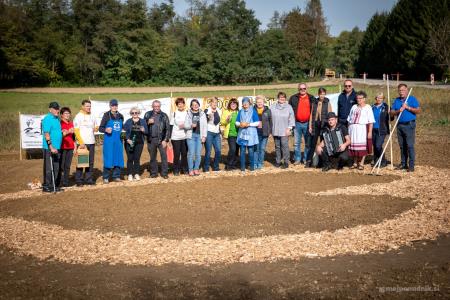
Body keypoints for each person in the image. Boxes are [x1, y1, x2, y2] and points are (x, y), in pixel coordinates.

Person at [390, 83, 421, 172]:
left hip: (409, 125)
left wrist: (408, 107)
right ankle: (403, 164)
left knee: (409, 145)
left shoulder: (412, 99)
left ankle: (411, 166)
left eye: (403, 90)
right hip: (399, 125)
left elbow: (418, 110)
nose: (401, 92)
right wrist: (398, 111)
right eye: (400, 90)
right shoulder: (396, 100)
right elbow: (391, 112)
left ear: (407, 90)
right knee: (402, 146)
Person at [347, 91, 375, 170]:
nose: (358, 100)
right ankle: (355, 162)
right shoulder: (354, 107)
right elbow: (349, 119)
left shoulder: (368, 107)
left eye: (360, 98)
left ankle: (362, 163)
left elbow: (371, 121)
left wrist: (369, 132)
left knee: (363, 146)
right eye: (357, 98)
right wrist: (348, 130)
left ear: (364, 99)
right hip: (352, 129)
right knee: (354, 146)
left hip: (362, 128)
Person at [99, 99, 124, 183]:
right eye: (113, 105)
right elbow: (100, 128)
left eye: (115, 105)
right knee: (108, 158)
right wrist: (106, 129)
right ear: (110, 106)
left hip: (118, 141)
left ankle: (116, 176)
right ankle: (106, 177)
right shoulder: (106, 115)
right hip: (109, 141)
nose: (114, 107)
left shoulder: (121, 116)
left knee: (118, 157)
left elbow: (122, 128)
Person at [306, 87, 332, 167]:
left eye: (323, 94)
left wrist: (329, 126)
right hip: (315, 124)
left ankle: (322, 162)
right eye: (321, 94)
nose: (322, 96)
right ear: (318, 94)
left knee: (323, 143)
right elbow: (311, 115)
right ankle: (309, 161)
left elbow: (330, 114)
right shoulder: (315, 102)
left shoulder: (327, 103)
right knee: (313, 143)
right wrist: (310, 126)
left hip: (324, 125)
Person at [144, 100, 171, 179]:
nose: (157, 108)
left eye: (158, 106)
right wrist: (147, 122)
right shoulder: (147, 114)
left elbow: (168, 129)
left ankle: (164, 173)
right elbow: (143, 126)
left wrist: (165, 140)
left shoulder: (164, 115)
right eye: (155, 106)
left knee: (164, 157)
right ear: (152, 106)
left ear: (160, 106)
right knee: (152, 157)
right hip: (151, 139)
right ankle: (154, 173)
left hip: (161, 140)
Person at [289, 83, 314, 165]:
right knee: (296, 143)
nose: (302, 90)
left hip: (308, 124)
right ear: (298, 89)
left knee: (308, 143)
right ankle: (297, 159)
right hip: (297, 124)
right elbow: (289, 111)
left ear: (307, 89)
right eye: (301, 89)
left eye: (304, 88)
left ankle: (306, 159)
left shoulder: (311, 98)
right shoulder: (293, 98)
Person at [73, 99, 97, 186]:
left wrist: (96, 128)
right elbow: (76, 130)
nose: (89, 108)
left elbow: (96, 126)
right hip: (82, 143)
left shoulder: (92, 116)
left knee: (90, 162)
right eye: (87, 106)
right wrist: (81, 142)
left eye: (90, 106)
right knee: (81, 162)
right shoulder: (78, 116)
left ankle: (88, 179)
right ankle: (79, 180)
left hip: (91, 142)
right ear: (82, 106)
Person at [41, 101, 63, 193]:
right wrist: (50, 146)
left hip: (57, 147)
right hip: (49, 148)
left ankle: (54, 185)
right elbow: (46, 133)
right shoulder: (47, 119)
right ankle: (47, 186)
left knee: (56, 167)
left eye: (58, 108)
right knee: (49, 168)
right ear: (50, 109)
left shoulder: (57, 119)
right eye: (55, 109)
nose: (57, 110)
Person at [270, 92, 295, 169]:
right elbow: (269, 117)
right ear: (278, 98)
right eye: (281, 97)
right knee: (277, 146)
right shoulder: (272, 107)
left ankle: (286, 161)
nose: (282, 99)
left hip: (285, 130)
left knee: (284, 146)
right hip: (275, 129)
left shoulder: (289, 107)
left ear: (285, 98)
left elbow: (291, 118)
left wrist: (289, 128)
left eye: (283, 97)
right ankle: (278, 161)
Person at [124, 107, 148, 181]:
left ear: (139, 113)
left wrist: (144, 130)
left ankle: (136, 173)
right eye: (133, 113)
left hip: (139, 143)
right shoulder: (128, 121)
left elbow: (147, 132)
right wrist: (127, 139)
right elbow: (123, 132)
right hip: (129, 143)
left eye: (136, 112)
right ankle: (130, 174)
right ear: (131, 114)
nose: (134, 114)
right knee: (130, 158)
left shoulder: (143, 121)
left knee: (137, 159)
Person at [184, 99, 207, 176]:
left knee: (198, 154)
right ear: (191, 106)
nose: (195, 105)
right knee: (191, 154)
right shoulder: (188, 114)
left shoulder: (202, 113)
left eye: (196, 104)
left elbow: (205, 126)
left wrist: (204, 136)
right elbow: (185, 126)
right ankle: (190, 170)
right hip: (191, 136)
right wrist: (191, 126)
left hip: (199, 136)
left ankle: (196, 169)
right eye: (193, 104)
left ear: (199, 105)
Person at [236, 97, 259, 172]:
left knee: (251, 150)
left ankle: (252, 167)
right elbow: (236, 122)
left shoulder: (253, 111)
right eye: (243, 103)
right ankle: (242, 168)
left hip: (251, 134)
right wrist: (240, 124)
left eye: (247, 102)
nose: (245, 104)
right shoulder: (240, 111)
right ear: (242, 104)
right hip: (242, 134)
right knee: (242, 150)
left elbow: (257, 122)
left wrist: (248, 124)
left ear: (249, 103)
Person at [57, 107, 75, 187]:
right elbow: (59, 136)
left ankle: (66, 181)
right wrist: (67, 132)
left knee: (67, 165)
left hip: (70, 147)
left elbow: (73, 137)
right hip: (62, 147)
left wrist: (74, 146)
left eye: (68, 113)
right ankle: (58, 181)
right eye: (65, 113)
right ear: (61, 115)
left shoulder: (71, 124)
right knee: (61, 166)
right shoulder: (59, 124)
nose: (67, 115)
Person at [170, 97, 188, 176]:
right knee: (177, 154)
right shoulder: (174, 113)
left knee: (184, 154)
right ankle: (176, 169)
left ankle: (184, 169)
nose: (180, 105)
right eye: (179, 104)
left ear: (184, 104)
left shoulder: (187, 113)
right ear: (177, 105)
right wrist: (169, 138)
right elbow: (170, 126)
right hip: (176, 137)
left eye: (182, 103)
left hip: (185, 137)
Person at [371, 93, 390, 167]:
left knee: (378, 145)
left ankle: (383, 161)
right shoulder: (372, 107)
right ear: (375, 98)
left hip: (382, 129)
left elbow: (391, 118)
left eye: (381, 98)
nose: (379, 99)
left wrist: (390, 114)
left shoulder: (386, 107)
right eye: (377, 98)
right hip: (373, 129)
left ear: (383, 99)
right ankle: (376, 161)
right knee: (375, 146)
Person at [221, 98, 240, 171]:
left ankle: (233, 164)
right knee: (232, 149)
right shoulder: (226, 112)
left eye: (235, 104)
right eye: (232, 104)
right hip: (230, 134)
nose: (233, 105)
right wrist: (227, 120)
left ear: (237, 105)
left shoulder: (239, 112)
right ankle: (228, 165)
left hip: (238, 134)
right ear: (229, 104)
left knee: (236, 150)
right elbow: (222, 122)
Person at [203, 98, 222, 172]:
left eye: (216, 102)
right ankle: (206, 167)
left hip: (217, 133)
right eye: (213, 102)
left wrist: (220, 133)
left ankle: (216, 167)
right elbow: (203, 123)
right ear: (210, 103)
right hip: (209, 132)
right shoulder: (206, 111)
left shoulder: (219, 110)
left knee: (218, 151)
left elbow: (218, 123)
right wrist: (208, 118)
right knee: (208, 151)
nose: (214, 104)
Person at [254, 95, 271, 169]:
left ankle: (260, 163)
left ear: (264, 102)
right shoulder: (253, 110)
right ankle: (255, 163)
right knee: (256, 149)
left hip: (265, 133)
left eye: (261, 102)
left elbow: (271, 122)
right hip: (255, 133)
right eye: (258, 102)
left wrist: (270, 131)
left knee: (262, 149)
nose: (259, 103)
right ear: (256, 103)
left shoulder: (268, 110)